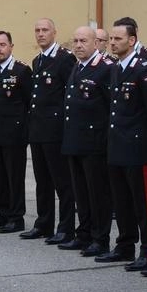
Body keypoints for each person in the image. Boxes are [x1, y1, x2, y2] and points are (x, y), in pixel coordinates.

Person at [104, 22, 147, 268]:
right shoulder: (116, 68)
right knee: (122, 201)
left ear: (132, 40)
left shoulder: (143, 70)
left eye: (118, 38)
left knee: (143, 202)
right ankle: (125, 245)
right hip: (117, 145)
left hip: (137, 147)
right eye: (111, 38)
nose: (113, 42)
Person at [59, 26, 114, 257]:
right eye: (75, 40)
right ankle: (84, 234)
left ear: (96, 43)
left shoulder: (105, 69)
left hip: (94, 142)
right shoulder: (76, 66)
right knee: (80, 192)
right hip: (75, 140)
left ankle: (100, 239)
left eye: (83, 41)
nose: (78, 45)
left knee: (97, 193)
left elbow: (111, 106)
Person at [23, 18, 76, 245]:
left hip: (56, 130)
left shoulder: (64, 59)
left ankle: (65, 228)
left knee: (62, 181)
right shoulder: (38, 60)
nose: (41, 34)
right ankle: (44, 223)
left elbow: (68, 95)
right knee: (42, 181)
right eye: (37, 30)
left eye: (45, 30)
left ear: (55, 32)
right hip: (38, 129)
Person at [0, 31, 32, 234]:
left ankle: (16, 216)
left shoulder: (21, 71)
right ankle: (2, 213)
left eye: (3, 44)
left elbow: (29, 102)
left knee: (14, 176)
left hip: (13, 134)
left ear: (11, 46)